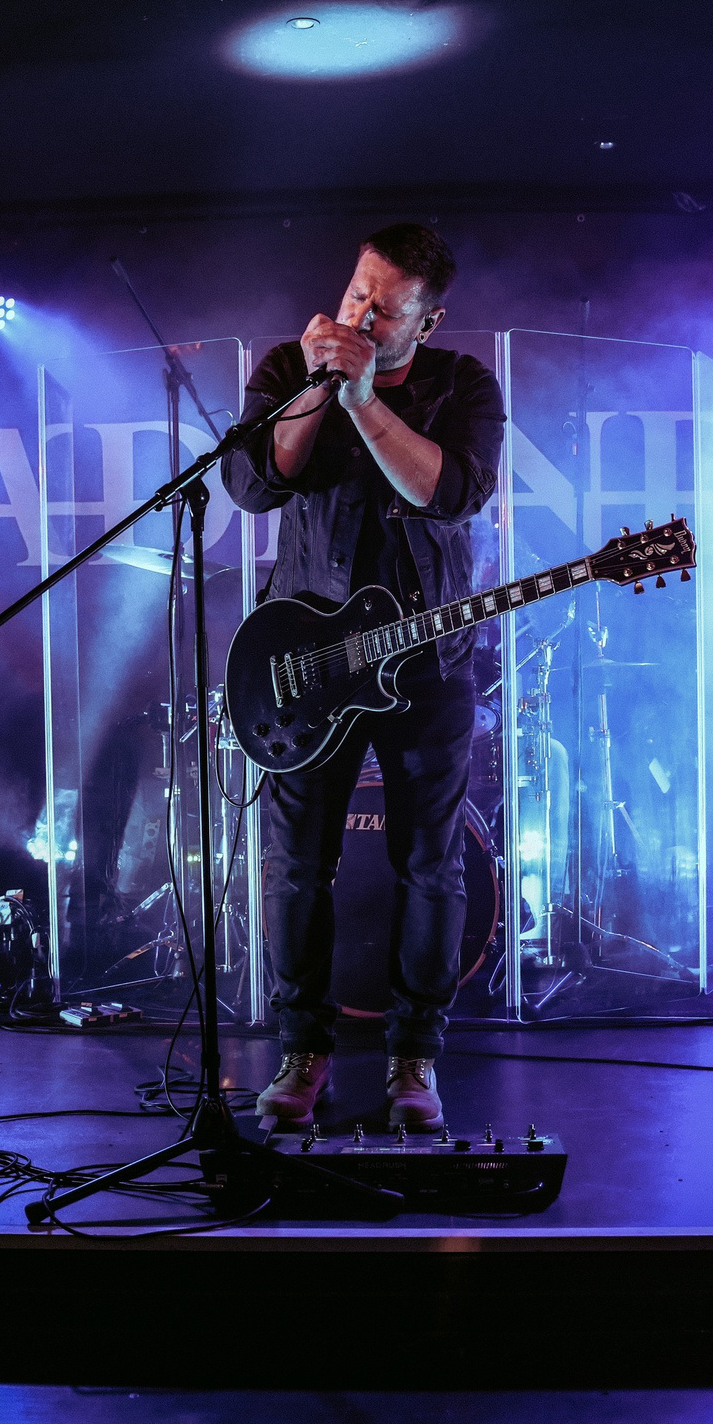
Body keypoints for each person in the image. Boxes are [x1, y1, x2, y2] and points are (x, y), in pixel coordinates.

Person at [222, 224, 504, 1130]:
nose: (360, 315)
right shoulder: (285, 368)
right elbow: (256, 484)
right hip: (308, 663)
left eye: (385, 308)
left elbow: (450, 493)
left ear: (428, 318)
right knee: (298, 865)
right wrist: (317, 390)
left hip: (427, 664)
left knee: (430, 867)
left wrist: (363, 402)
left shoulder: (464, 385)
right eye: (356, 293)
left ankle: (413, 1060)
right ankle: (302, 1055)